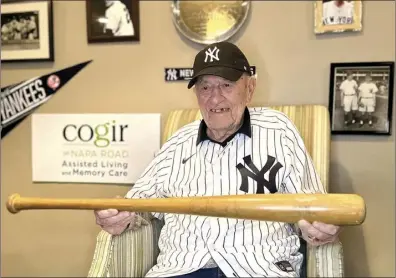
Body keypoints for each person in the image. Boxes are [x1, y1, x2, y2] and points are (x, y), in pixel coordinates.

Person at [95, 42, 342, 278]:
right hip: (181, 270)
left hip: (258, 268)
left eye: (226, 85)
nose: (214, 99)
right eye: (205, 87)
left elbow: (312, 208)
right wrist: (118, 216)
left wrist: (320, 226)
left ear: (250, 89)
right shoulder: (177, 143)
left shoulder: (280, 131)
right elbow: (137, 207)